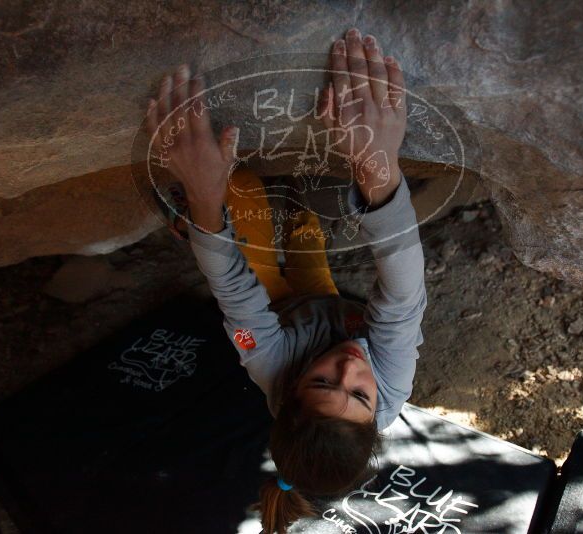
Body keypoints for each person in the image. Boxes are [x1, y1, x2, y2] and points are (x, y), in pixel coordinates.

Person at [146, 27, 427, 534]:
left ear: (293, 386)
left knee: (244, 189)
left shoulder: (268, 363)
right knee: (306, 223)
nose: (349, 365)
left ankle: (194, 219)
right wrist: (376, 169)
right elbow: (404, 296)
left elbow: (234, 291)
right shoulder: (393, 386)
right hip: (323, 301)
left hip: (280, 311)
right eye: (360, 394)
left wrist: (206, 197)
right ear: (377, 411)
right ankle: (286, 201)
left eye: (323, 382)